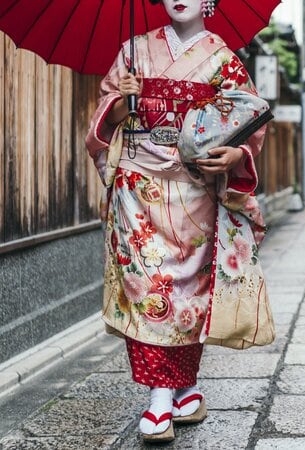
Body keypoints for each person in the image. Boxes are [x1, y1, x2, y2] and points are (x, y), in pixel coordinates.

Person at [85, 0, 267, 442]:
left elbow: (250, 119)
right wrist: (119, 103)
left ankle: (185, 386)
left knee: (189, 289)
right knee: (148, 286)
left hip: (194, 187)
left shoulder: (223, 58)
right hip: (138, 184)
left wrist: (237, 154)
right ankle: (160, 398)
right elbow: (103, 125)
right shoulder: (133, 50)